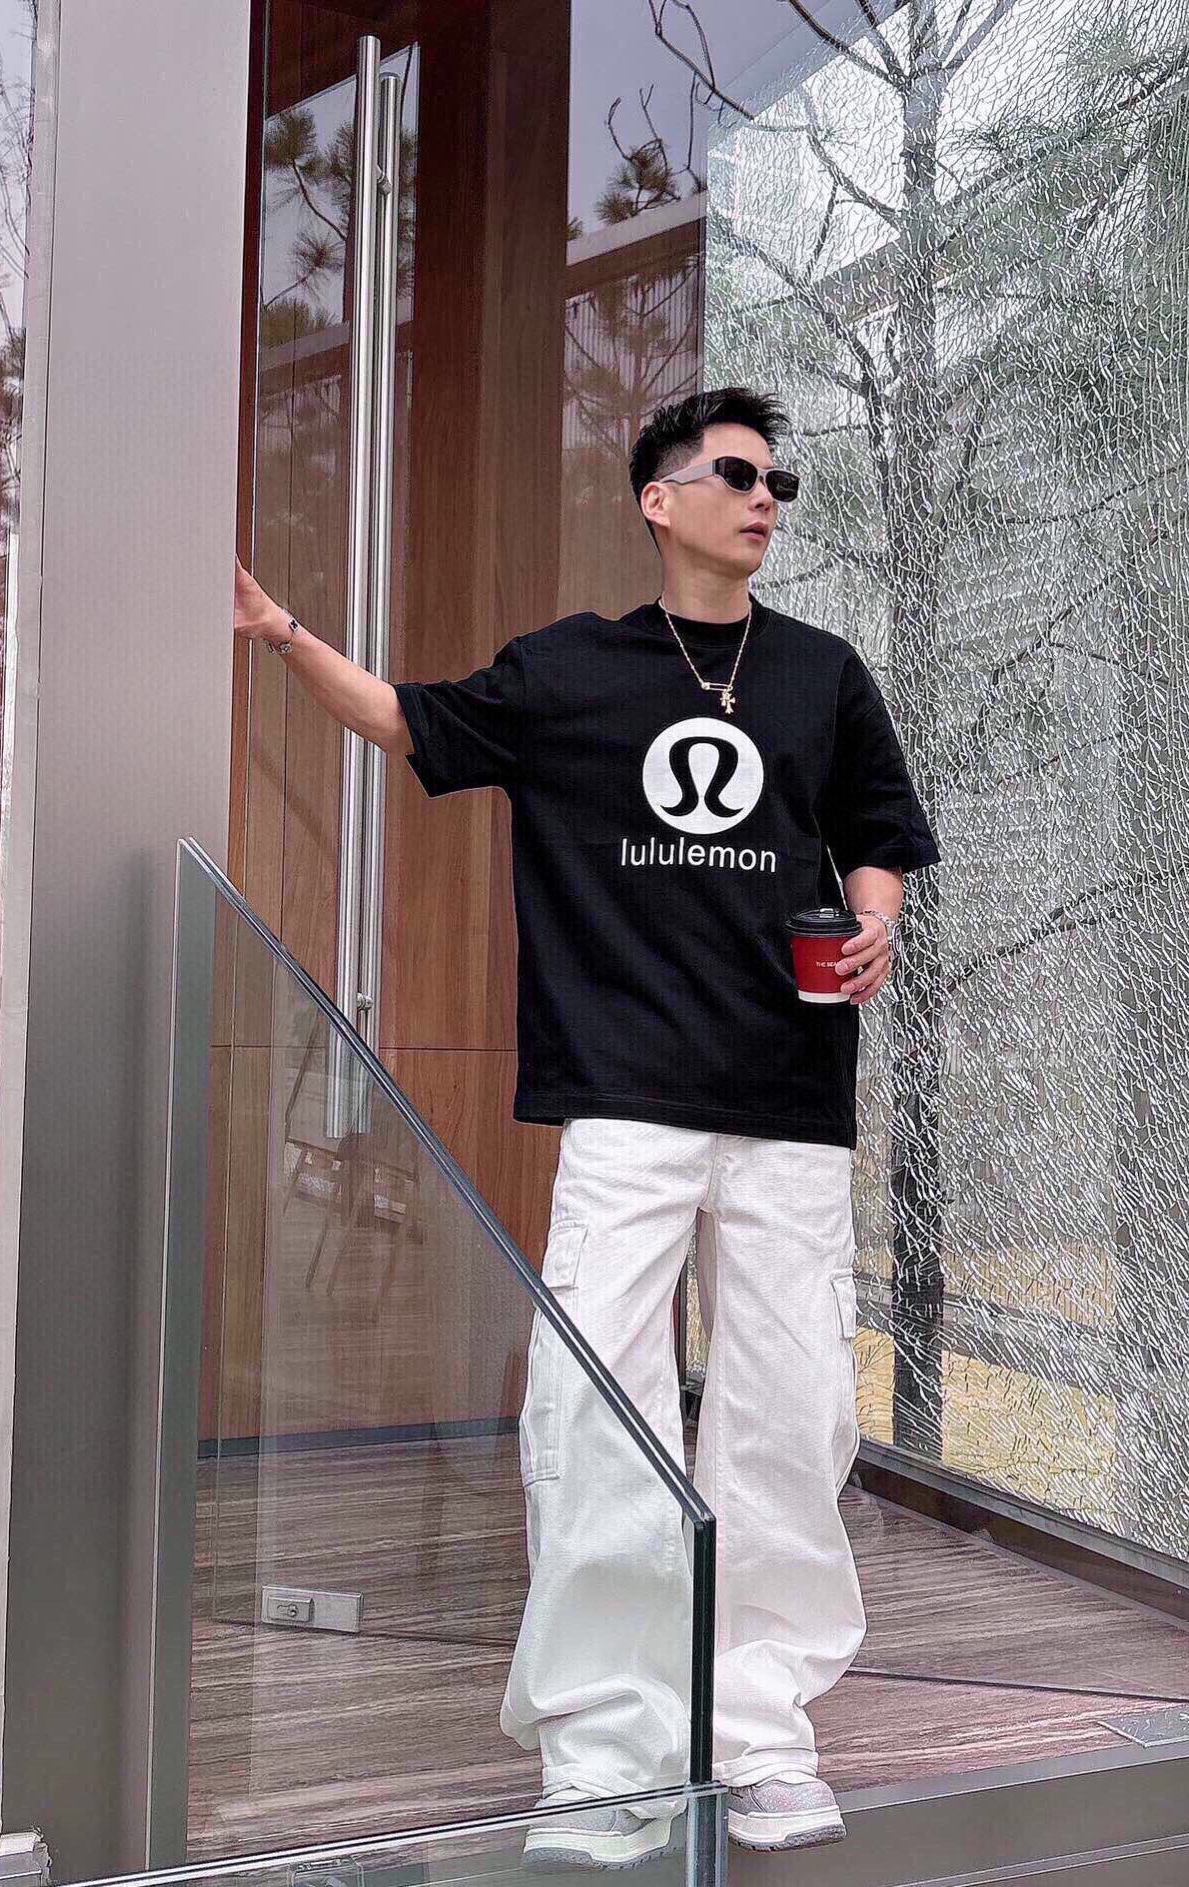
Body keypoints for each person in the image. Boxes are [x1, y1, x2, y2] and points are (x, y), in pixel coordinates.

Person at [234, 385, 941, 1864]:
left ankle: (760, 1733)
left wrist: (874, 920)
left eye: (779, 481)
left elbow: (879, 833)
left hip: (789, 1100)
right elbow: (411, 721)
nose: (765, 498)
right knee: (596, 1409)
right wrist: (285, 635)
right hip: (623, 1101)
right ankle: (609, 1749)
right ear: (658, 501)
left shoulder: (820, 673)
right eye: (736, 474)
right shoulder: (571, 669)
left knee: (787, 1414)